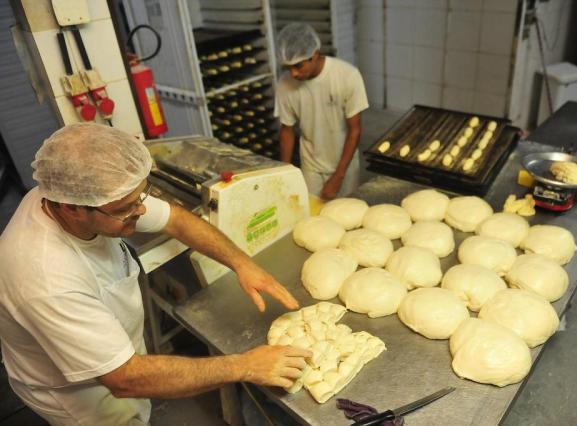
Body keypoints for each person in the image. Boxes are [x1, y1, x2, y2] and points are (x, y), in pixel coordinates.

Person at [0, 123, 311, 425]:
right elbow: (124, 378)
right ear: (73, 209)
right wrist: (246, 366)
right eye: (126, 207)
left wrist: (242, 263)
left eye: (141, 196)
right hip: (82, 395)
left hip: (115, 357)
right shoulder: (45, 277)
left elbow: (175, 219)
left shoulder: (83, 195)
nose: (141, 210)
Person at [275, 23, 369, 200]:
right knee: (314, 215)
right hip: (311, 165)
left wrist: (338, 176)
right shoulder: (285, 85)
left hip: (344, 164)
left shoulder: (347, 76)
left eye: (298, 66)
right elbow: (287, 130)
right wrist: (285, 171)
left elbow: (354, 130)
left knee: (347, 215)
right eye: (288, 68)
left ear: (314, 55)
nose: (293, 73)